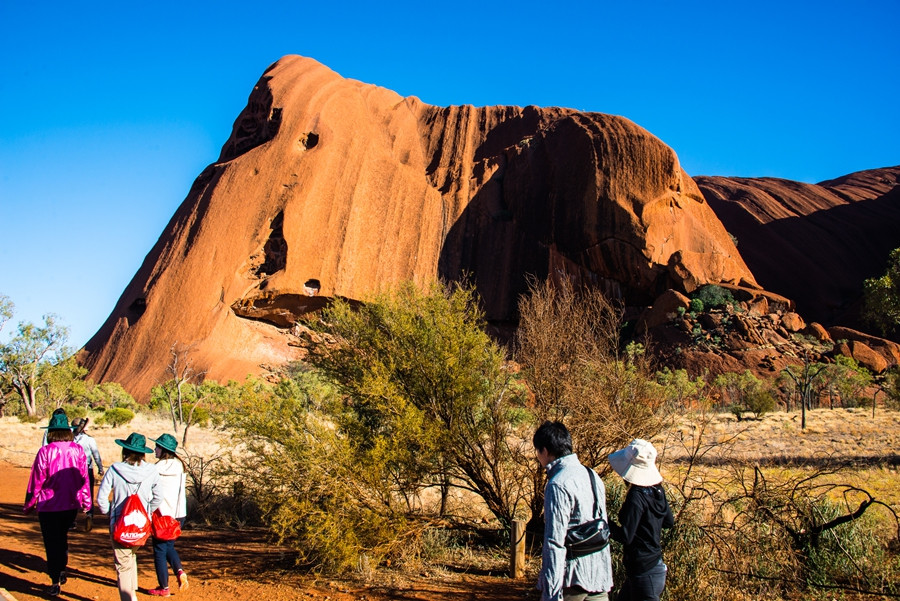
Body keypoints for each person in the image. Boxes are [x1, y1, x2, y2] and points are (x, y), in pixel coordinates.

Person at [533, 420, 613, 601]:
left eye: (537, 451)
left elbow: (554, 542)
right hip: (598, 575)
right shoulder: (593, 476)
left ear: (545, 451)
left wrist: (551, 594)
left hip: (571, 580)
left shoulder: (558, 484)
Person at [24, 412, 92, 597]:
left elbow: (36, 480)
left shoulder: (45, 451)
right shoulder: (77, 450)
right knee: (62, 538)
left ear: (51, 432)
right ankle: (61, 568)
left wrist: (29, 504)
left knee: (51, 542)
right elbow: (83, 478)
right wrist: (87, 504)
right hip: (70, 504)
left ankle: (55, 581)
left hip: (48, 505)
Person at [97, 432, 162, 601]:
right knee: (131, 555)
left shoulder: (114, 470)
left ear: (125, 450)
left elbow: (101, 498)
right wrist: (147, 512)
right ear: (142, 453)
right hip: (141, 526)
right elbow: (158, 497)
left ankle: (129, 597)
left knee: (123, 564)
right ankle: (132, 593)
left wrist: (110, 513)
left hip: (119, 524)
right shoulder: (152, 470)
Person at [607, 439, 674, 601]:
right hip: (651, 567)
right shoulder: (658, 490)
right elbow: (668, 522)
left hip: (644, 573)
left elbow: (625, 536)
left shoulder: (636, 496)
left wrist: (604, 521)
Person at [148, 433, 189, 596]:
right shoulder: (180, 466)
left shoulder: (156, 469)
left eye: (157, 447)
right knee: (169, 546)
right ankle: (179, 571)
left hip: (162, 515)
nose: (154, 449)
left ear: (163, 449)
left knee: (159, 549)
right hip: (179, 514)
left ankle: (164, 587)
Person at [71, 417, 104, 531]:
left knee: (73, 493)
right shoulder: (89, 440)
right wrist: (100, 468)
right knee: (88, 492)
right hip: (86, 469)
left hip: (72, 470)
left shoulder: (70, 439)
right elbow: (96, 455)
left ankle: (72, 520)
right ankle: (89, 515)